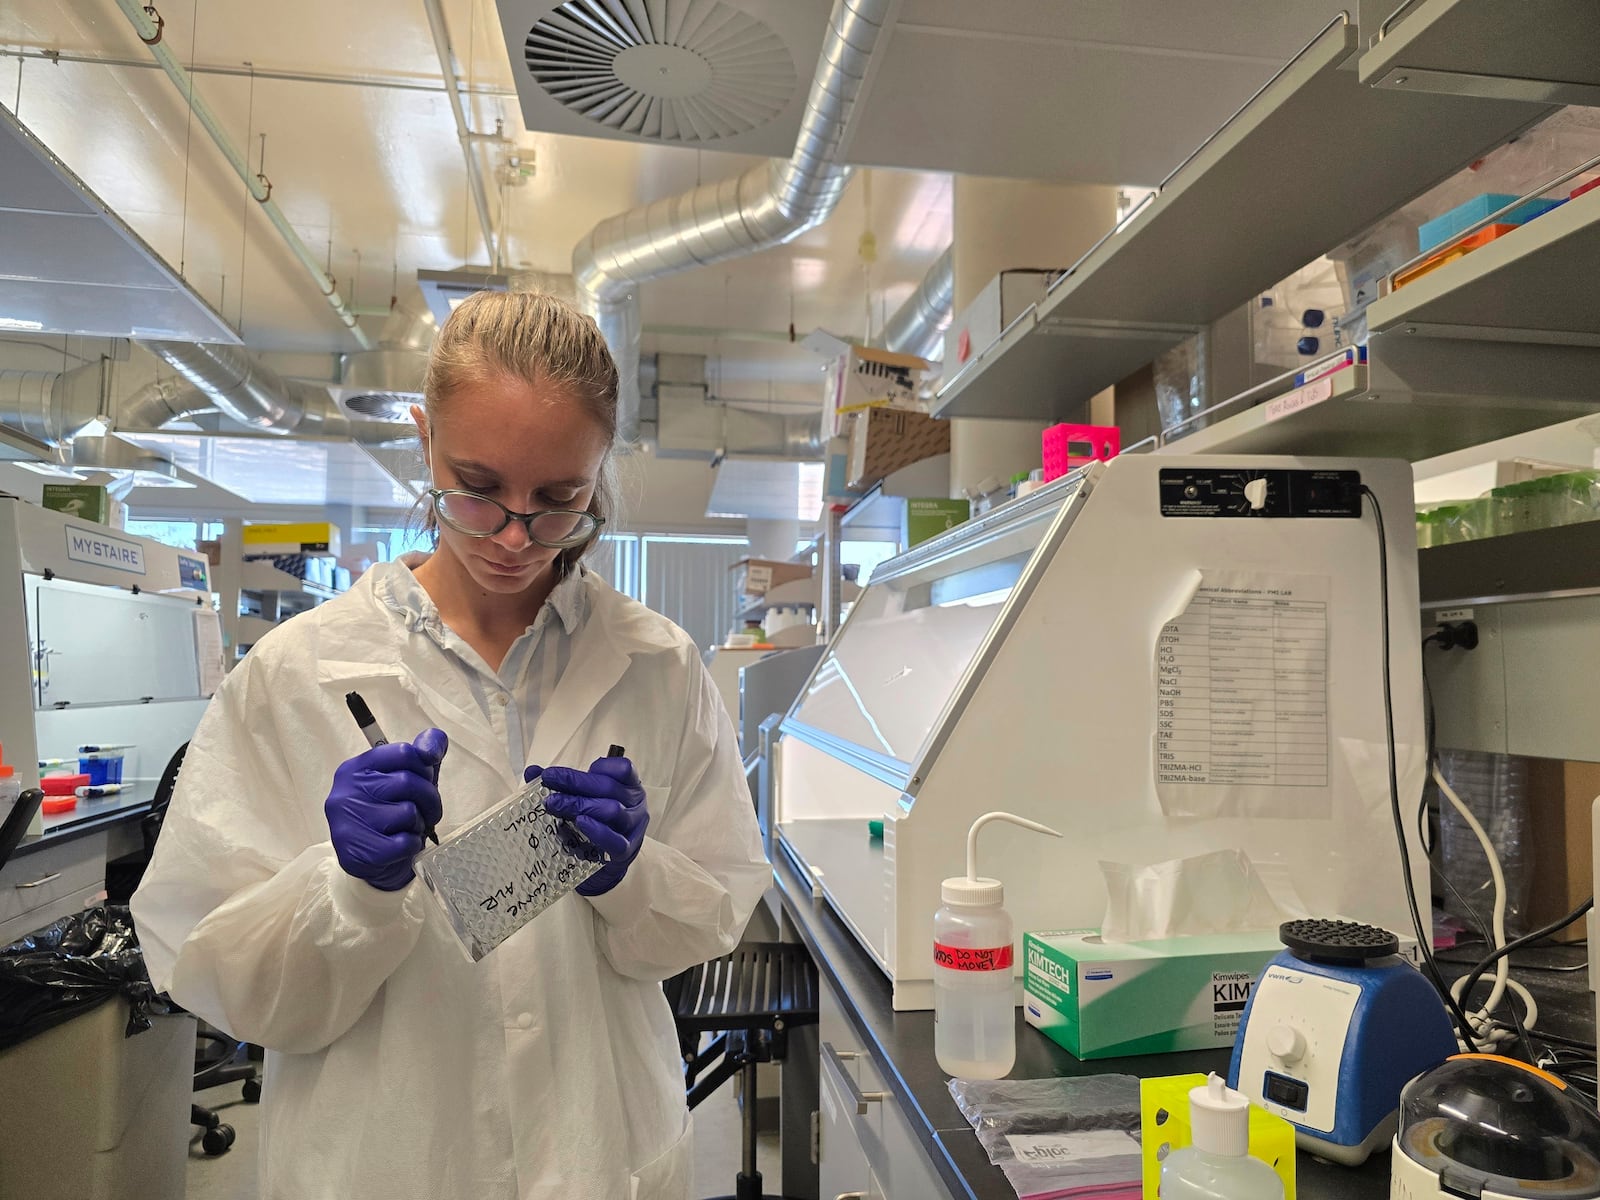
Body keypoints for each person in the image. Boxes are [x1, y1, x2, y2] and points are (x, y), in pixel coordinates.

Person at [131, 291, 770, 1199]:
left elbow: (712, 911)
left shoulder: (658, 667)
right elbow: (212, 974)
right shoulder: (295, 672)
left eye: (559, 500)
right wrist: (346, 891)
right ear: (425, 440)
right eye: (477, 490)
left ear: (600, 471)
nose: (515, 536)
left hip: (600, 1151)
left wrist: (631, 876)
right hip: (384, 1159)